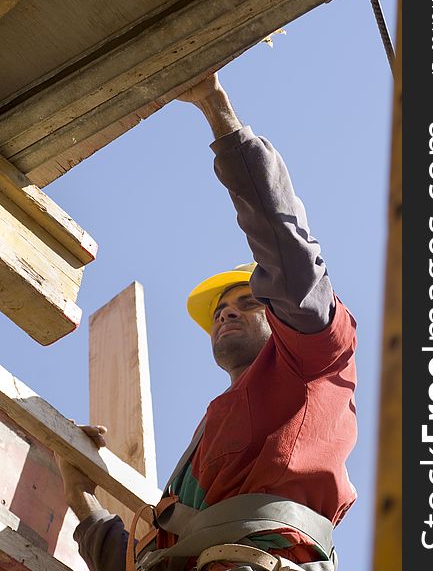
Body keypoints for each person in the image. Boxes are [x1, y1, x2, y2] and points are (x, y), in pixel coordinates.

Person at [56, 72, 358, 571]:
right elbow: (142, 557)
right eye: (219, 309)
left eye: (247, 300)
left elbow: (288, 252)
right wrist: (79, 496)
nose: (226, 311)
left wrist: (215, 108)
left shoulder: (316, 358)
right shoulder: (204, 455)